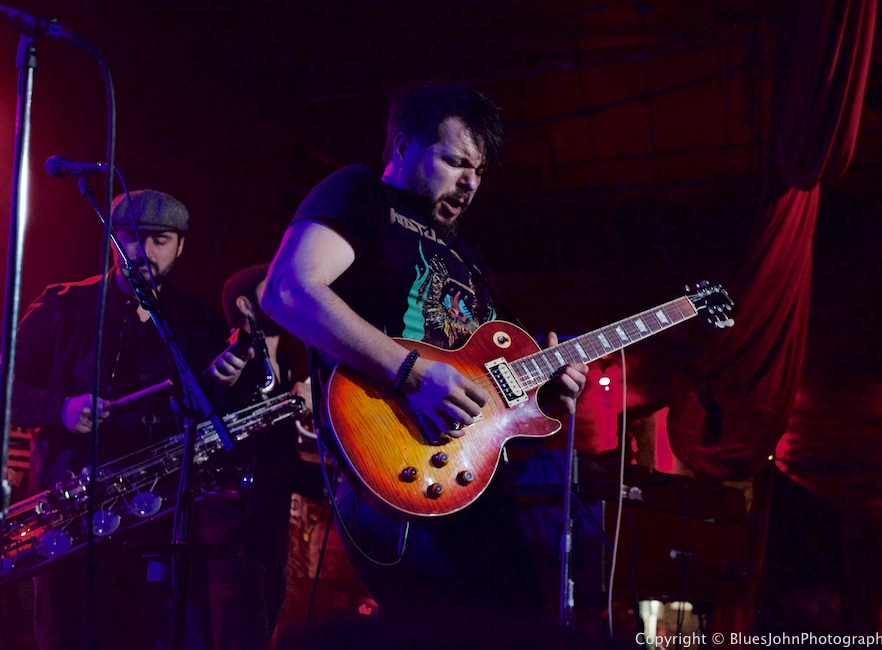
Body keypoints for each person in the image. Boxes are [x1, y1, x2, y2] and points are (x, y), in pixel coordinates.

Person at [261, 83, 588, 638]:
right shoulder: (361, 193)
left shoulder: (469, 258)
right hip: (390, 459)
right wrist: (408, 371)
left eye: (478, 171)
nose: (469, 183)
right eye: (455, 161)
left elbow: (482, 381)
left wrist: (542, 392)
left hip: (472, 475)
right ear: (404, 146)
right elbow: (288, 290)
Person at [12, 189, 250, 650]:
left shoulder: (197, 322)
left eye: (159, 240)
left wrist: (228, 381)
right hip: (69, 514)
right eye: (130, 238)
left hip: (154, 516)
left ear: (181, 246)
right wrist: (59, 408)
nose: (143, 252)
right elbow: (6, 386)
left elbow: (213, 417)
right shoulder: (63, 305)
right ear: (111, 240)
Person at [186, 263, 312, 649]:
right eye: (269, 287)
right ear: (244, 303)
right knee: (243, 630)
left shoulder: (290, 365)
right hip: (231, 523)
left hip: (269, 527)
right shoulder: (229, 358)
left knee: (265, 622)